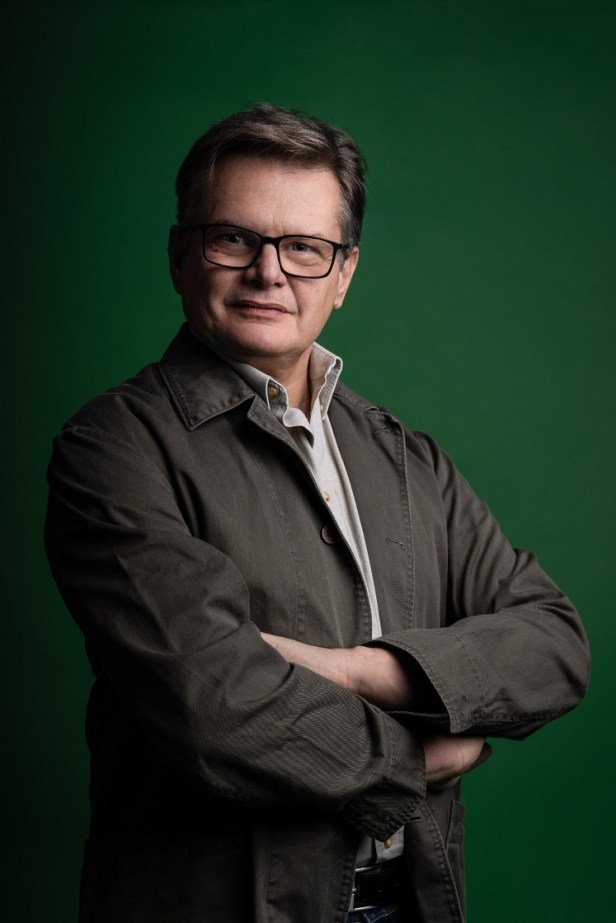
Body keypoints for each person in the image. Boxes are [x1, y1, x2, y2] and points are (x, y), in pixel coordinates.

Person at [45, 103, 589, 923]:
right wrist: (420, 759)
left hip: (414, 900)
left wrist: (362, 670)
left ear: (344, 274)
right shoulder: (113, 447)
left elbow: (554, 642)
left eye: (305, 247)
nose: (270, 272)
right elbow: (217, 705)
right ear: (181, 254)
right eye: (235, 238)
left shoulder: (405, 457)